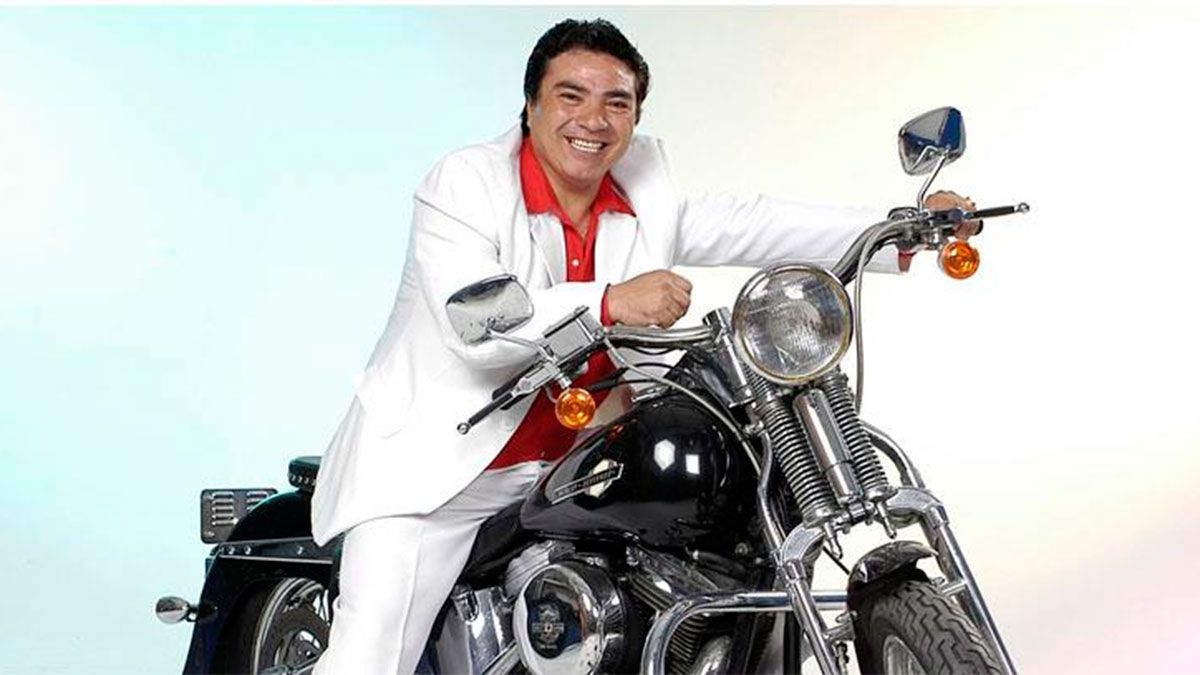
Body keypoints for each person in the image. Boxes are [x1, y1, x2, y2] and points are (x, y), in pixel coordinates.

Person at [310, 18, 977, 675]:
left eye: (616, 102)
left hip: (577, 464)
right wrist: (609, 301)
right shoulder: (464, 184)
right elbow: (476, 319)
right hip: (443, 474)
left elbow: (752, 221)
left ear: (633, 116)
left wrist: (904, 227)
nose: (593, 120)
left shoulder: (643, 187)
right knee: (371, 656)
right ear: (531, 106)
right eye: (571, 96)